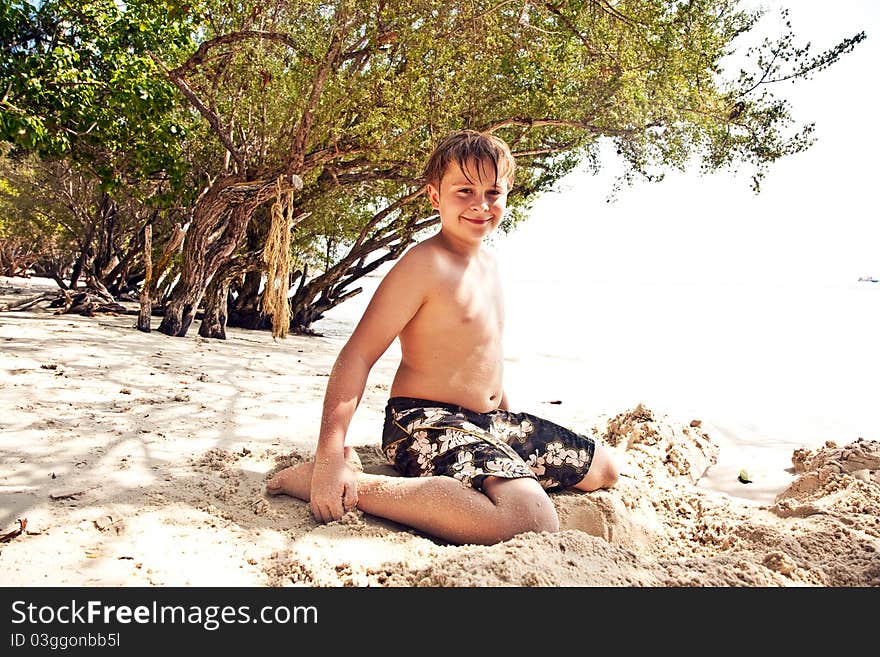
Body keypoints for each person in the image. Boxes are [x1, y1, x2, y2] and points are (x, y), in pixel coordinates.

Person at [267, 129, 619, 545]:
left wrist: (507, 424)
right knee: (529, 517)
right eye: (464, 190)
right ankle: (355, 487)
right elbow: (357, 355)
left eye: (493, 192)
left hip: (484, 423)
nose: (480, 205)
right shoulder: (424, 264)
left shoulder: (490, 265)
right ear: (435, 196)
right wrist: (330, 453)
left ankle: (484, 470)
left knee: (603, 468)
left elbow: (482, 357)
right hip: (420, 423)